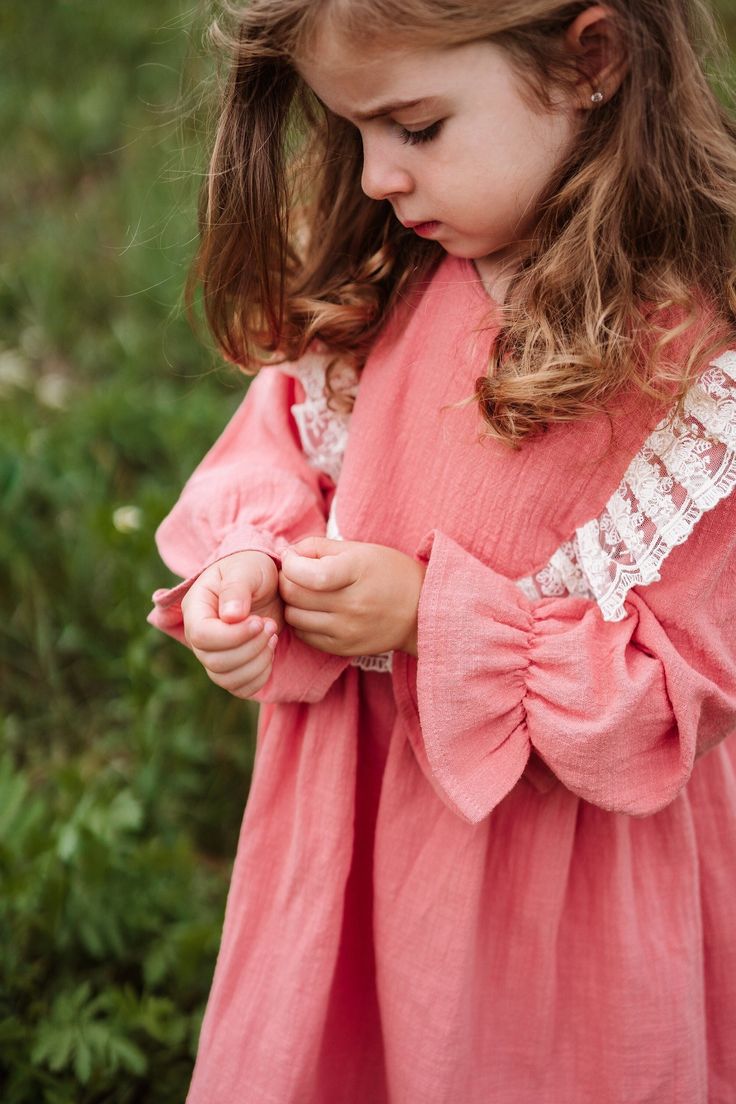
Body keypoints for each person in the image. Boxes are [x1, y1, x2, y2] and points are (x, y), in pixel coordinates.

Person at [148, 0, 736, 1100]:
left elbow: (674, 695)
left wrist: (431, 616)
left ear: (590, 62)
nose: (375, 176)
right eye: (353, 132)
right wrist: (250, 574)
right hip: (346, 855)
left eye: (415, 127)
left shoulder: (692, 381)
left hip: (559, 905)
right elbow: (281, 455)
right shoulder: (387, 280)